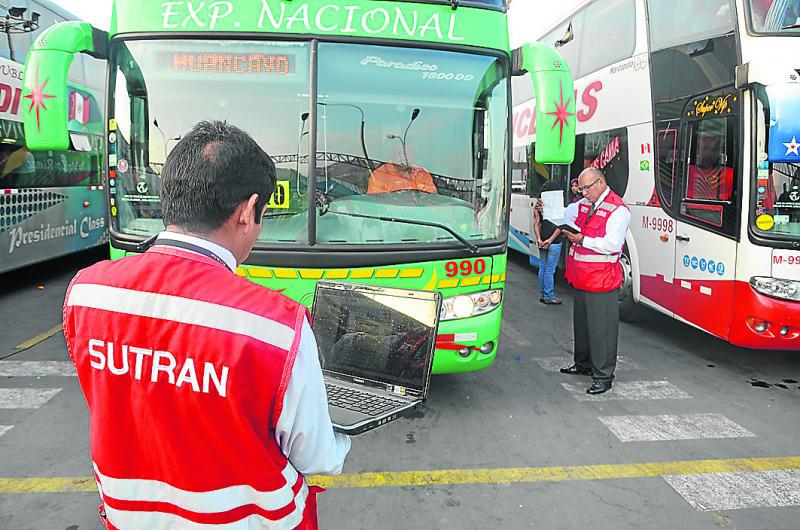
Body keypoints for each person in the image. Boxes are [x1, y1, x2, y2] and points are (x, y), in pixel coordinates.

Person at [63, 121, 350, 529]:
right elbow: (317, 457)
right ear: (248, 212)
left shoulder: (87, 292)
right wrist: (342, 427)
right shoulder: (278, 327)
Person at [559, 167, 631, 395]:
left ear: (600, 183)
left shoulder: (618, 209)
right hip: (582, 276)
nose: (583, 193)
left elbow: (612, 244)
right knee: (583, 326)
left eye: (586, 188)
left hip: (601, 279)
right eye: (580, 189)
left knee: (602, 330)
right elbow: (566, 214)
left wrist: (582, 239)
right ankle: (583, 364)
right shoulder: (586, 204)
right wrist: (550, 211)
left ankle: (603, 375)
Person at [533, 180, 564, 305]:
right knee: (550, 269)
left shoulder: (538, 206)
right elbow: (560, 226)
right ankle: (549, 296)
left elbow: (536, 225)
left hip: (542, 239)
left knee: (543, 267)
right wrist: (550, 240)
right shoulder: (557, 206)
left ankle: (542, 294)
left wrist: (539, 239)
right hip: (554, 241)